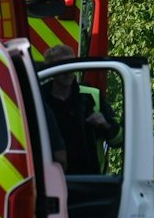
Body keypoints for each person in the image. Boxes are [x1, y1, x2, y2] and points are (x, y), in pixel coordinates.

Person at [40, 44, 116, 175]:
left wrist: (105, 125)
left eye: (71, 65)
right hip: (49, 179)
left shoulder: (91, 96)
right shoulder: (39, 97)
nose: (68, 71)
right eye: (62, 66)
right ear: (50, 69)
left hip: (89, 180)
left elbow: (118, 140)